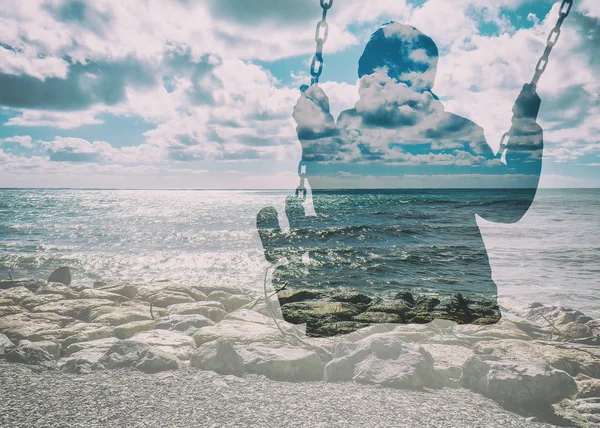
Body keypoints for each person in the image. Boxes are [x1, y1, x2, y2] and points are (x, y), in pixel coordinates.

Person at [257, 22, 544, 336]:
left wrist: (314, 135)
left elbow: (331, 198)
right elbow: (506, 208)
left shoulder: (345, 133)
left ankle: (316, 291)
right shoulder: (457, 133)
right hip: (456, 300)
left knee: (335, 241)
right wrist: (525, 124)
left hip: (364, 293)